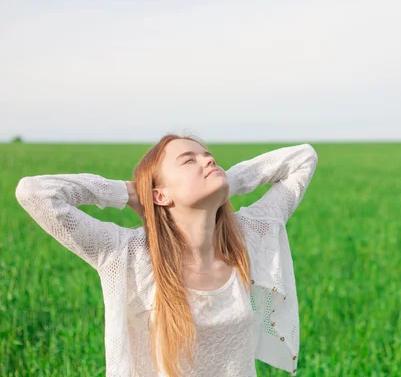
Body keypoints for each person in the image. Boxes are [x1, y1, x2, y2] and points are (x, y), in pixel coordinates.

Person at [15, 134, 319, 377]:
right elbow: (34, 193)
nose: (209, 160)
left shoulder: (246, 237)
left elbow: (304, 158)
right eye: (188, 161)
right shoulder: (126, 254)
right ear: (160, 195)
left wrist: (228, 181)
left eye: (208, 155)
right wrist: (128, 193)